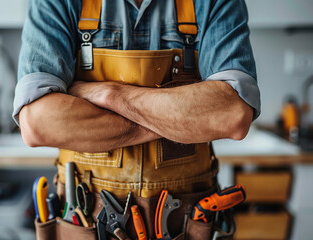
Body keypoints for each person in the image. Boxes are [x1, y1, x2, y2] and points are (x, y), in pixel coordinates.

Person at [13, 0, 260, 239]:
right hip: (86, 220)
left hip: (184, 224)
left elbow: (233, 115)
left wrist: (110, 95)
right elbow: (38, 123)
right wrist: (181, 121)